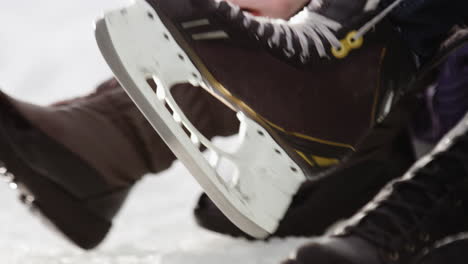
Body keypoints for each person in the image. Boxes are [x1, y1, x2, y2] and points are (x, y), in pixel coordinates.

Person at [0, 0, 467, 263]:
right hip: (379, 129)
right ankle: (107, 144)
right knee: (265, 38)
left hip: (415, 170)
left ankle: (104, 151)